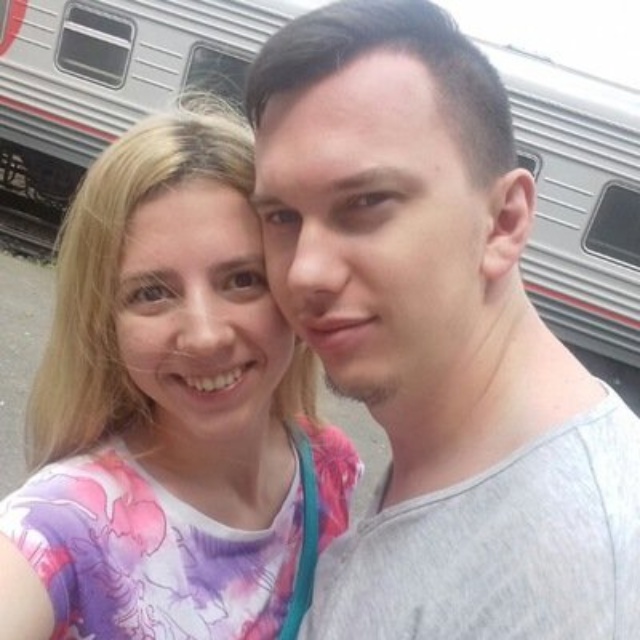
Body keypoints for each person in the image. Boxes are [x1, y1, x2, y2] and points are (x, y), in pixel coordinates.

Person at [244, 0, 640, 636]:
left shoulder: (578, 580)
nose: (303, 273)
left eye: (366, 202)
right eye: (281, 217)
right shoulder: (451, 460)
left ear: (504, 222)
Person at [0, 101, 362, 639]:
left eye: (243, 279)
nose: (205, 335)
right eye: (151, 293)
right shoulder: (63, 527)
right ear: (104, 322)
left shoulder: (331, 466)